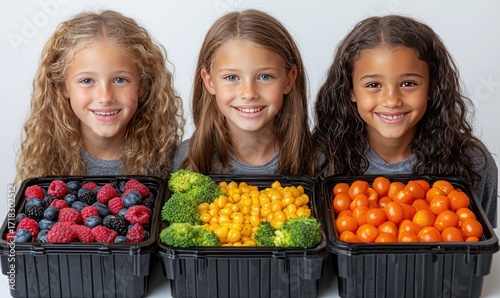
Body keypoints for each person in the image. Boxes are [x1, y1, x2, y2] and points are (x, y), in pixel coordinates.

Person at [313, 15, 498, 227]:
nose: (392, 100)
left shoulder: (474, 161)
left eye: (408, 83)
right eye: (373, 85)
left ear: (432, 87)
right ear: (350, 90)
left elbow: (478, 243)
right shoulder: (322, 158)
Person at [14, 9, 184, 182]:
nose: (105, 97)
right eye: (87, 81)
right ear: (63, 87)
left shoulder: (170, 162)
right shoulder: (44, 161)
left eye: (120, 79)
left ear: (142, 85)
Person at [173, 9, 315, 175]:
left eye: (264, 76)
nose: (249, 93)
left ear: (289, 80)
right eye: (232, 77)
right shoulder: (185, 160)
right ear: (209, 82)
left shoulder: (318, 160)